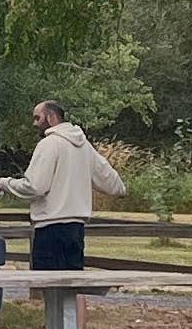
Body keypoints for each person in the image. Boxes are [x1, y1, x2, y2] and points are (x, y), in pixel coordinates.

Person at [18, 99, 126, 272]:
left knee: (50, 286)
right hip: (75, 229)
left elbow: (35, 186)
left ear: (51, 117)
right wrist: (121, 190)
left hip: (50, 228)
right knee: (71, 286)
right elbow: (109, 178)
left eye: (38, 118)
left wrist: (4, 184)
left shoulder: (49, 144)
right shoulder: (84, 146)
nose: (35, 123)